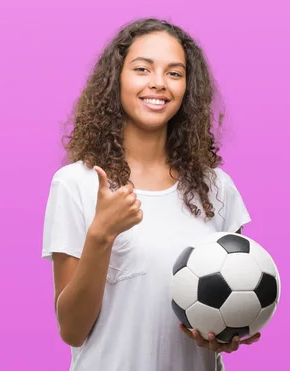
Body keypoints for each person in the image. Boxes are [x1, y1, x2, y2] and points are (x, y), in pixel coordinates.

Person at [40, 18, 261, 371]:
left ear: (188, 87)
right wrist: (101, 234)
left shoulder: (215, 188)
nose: (158, 83)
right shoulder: (76, 184)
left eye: (174, 73)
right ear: (116, 81)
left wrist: (226, 333)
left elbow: (230, 295)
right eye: (142, 69)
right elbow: (72, 329)